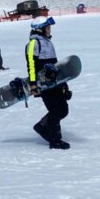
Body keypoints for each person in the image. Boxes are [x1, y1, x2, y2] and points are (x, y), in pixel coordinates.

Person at [25, 16, 71, 150]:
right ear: (40, 29)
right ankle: (55, 140)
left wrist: (64, 84)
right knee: (55, 111)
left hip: (55, 82)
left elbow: (57, 66)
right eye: (48, 27)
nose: (50, 30)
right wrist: (33, 84)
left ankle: (41, 126)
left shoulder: (48, 43)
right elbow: (31, 66)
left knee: (63, 110)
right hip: (43, 84)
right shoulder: (33, 44)